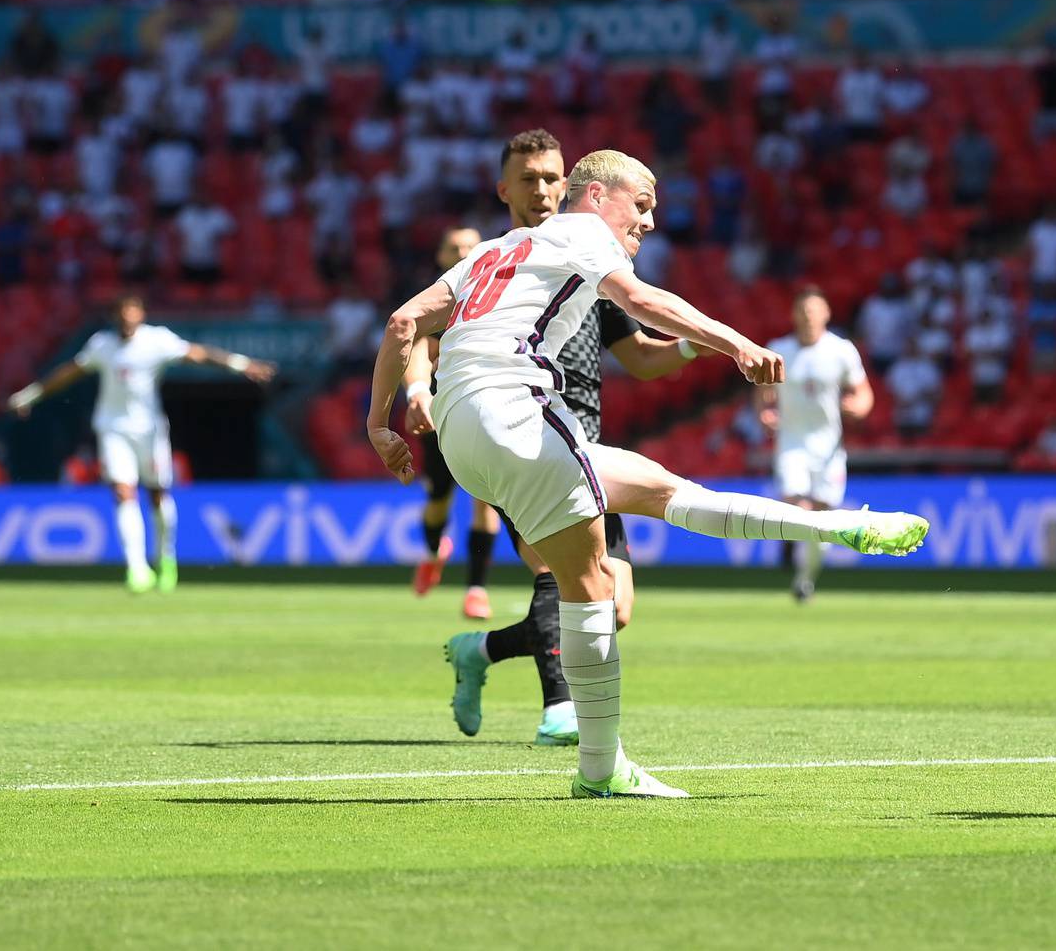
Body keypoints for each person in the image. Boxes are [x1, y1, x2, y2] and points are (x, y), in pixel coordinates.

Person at [367, 149, 928, 799]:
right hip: (513, 411)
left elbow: (404, 321)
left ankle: (833, 528)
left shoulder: (496, 249)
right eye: (642, 205)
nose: (651, 222)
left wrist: (380, 426)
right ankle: (601, 770)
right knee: (590, 590)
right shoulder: (581, 232)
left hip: (465, 430)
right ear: (599, 195)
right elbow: (640, 298)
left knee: (662, 493)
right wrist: (735, 342)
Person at [411, 131, 707, 745]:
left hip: (585, 442)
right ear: (505, 189)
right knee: (557, 572)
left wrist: (688, 343)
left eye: (551, 177)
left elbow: (643, 359)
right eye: (529, 178)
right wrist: (417, 389)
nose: (542, 189)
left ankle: (481, 651)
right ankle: (563, 710)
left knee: (613, 605)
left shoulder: (595, 255)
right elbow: (413, 327)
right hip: (518, 435)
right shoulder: (497, 261)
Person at [7, 294, 276, 592]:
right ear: (115, 317)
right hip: (113, 429)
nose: (128, 318)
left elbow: (199, 354)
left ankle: (166, 558)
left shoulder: (156, 341)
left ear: (142, 314)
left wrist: (241, 365)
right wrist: (31, 395)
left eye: (133, 311)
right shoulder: (102, 346)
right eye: (123, 313)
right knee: (123, 492)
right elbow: (70, 372)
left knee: (158, 495)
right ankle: (136, 567)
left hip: (150, 431)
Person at [404, 225, 505, 618]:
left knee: (485, 501)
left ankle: (476, 590)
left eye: (470, 246)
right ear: (441, 258)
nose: (463, 252)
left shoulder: (495, 298)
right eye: (454, 247)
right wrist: (418, 391)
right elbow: (416, 351)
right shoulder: (436, 303)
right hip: (440, 416)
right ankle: (434, 552)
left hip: (485, 411)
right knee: (439, 500)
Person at [758, 285, 874, 602]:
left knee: (822, 521)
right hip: (792, 443)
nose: (808, 316)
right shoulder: (779, 349)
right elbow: (763, 393)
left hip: (829, 448)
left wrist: (859, 408)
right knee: (799, 505)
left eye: (814, 310)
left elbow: (863, 392)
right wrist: (765, 413)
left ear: (826, 314)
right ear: (794, 315)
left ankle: (804, 579)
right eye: (803, 310)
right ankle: (790, 537)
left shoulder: (841, 350)